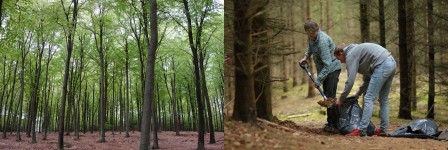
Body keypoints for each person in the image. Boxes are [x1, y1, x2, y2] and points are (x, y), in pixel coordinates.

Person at [334, 43, 396, 137]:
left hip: (382, 64)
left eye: (339, 59)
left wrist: (341, 99)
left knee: (368, 98)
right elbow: (369, 78)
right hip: (391, 62)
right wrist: (358, 93)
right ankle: (383, 130)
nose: (341, 62)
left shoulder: (350, 55)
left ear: (341, 52)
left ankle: (362, 129)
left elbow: (350, 82)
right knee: (383, 99)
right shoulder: (360, 53)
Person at [299, 20, 341, 133]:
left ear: (316, 30)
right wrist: (305, 57)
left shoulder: (322, 41)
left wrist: (318, 81)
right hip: (324, 69)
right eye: (309, 33)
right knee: (327, 96)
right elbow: (310, 48)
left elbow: (328, 65)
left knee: (330, 97)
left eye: (313, 32)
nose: (311, 35)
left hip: (332, 69)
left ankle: (336, 125)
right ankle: (331, 122)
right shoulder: (311, 38)